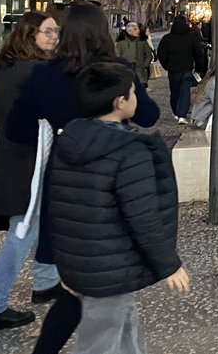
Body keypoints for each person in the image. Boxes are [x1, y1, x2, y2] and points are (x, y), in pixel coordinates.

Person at [4, 0, 161, 353]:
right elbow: (149, 116)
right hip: (110, 183)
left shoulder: (44, 75)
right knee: (101, 283)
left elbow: (16, 129)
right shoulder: (114, 69)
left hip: (64, 181)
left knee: (75, 286)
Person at [46, 62, 188, 354]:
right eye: (134, 92)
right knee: (100, 340)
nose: (137, 97)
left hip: (81, 258)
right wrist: (169, 265)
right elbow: (142, 215)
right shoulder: (129, 150)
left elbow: (60, 205)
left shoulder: (71, 137)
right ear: (120, 102)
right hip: (109, 265)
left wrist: (66, 264)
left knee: (124, 326)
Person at [0, 12, 60, 332]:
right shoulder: (38, 71)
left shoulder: (3, 71)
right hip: (32, 163)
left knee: (41, 222)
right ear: (30, 34)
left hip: (11, 157)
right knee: (23, 233)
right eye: (47, 32)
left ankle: (46, 282)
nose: (54, 37)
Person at [156, 14, 207, 124]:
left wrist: (166, 65)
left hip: (173, 69)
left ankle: (176, 111)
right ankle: (182, 114)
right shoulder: (191, 38)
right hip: (187, 68)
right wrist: (199, 68)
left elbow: (161, 53)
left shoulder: (167, 39)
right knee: (184, 91)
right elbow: (198, 54)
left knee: (175, 91)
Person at [115, 22, 153, 88]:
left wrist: (145, 65)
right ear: (129, 31)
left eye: (138, 29)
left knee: (141, 94)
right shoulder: (121, 42)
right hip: (126, 71)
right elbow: (117, 56)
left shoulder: (142, 41)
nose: (138, 31)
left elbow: (149, 55)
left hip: (140, 73)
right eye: (135, 29)